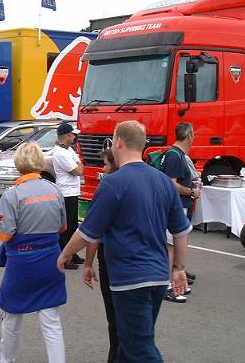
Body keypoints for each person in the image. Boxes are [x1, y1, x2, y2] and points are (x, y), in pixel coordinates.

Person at [58, 120, 191, 363]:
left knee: (139, 348)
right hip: (158, 276)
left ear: (118, 142)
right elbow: (181, 231)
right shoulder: (162, 181)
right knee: (129, 344)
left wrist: (64, 253)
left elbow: (88, 232)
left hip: (130, 279)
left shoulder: (113, 183)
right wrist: (179, 268)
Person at [0, 142, 67, 363]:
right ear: (39, 162)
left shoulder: (12, 195)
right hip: (51, 260)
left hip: (22, 264)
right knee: (51, 321)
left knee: (12, 317)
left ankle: (6, 361)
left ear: (18, 164)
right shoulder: (55, 190)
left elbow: (5, 234)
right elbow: (62, 227)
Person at [83, 148, 119, 363]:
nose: (102, 169)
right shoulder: (150, 180)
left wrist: (88, 262)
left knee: (114, 317)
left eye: (105, 164)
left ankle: (115, 355)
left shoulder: (109, 185)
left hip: (112, 257)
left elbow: (92, 231)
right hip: (145, 260)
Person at [161, 122, 199, 302]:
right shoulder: (175, 156)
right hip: (175, 207)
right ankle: (167, 285)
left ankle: (174, 281)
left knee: (175, 246)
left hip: (178, 206)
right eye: (194, 135)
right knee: (170, 247)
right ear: (189, 135)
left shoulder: (176, 154)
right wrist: (192, 191)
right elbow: (172, 184)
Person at [52, 122, 84, 270]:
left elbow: (80, 166)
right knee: (66, 228)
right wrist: (78, 163)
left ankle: (72, 253)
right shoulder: (60, 152)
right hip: (66, 193)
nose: (75, 137)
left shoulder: (68, 150)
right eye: (72, 134)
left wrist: (78, 163)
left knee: (73, 226)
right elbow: (77, 171)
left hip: (73, 192)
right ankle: (64, 257)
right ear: (66, 136)